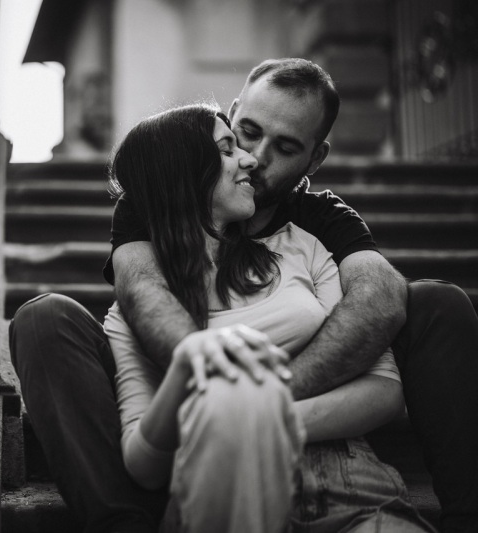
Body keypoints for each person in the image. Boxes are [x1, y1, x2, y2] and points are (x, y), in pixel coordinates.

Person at [10, 57, 478, 533]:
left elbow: (380, 299)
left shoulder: (315, 227)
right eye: (245, 133)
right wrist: (203, 374)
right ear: (232, 114)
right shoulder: (151, 204)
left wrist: (258, 406)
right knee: (45, 318)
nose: (256, 157)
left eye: (286, 147)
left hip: (329, 459)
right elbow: (143, 292)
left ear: (315, 159)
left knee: (438, 304)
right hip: (186, 420)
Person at [101, 102, 433, 532]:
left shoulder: (303, 248)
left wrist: (260, 416)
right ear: (182, 175)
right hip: (224, 495)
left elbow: (385, 390)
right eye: (227, 148)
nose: (249, 158)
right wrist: (185, 367)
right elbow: (143, 465)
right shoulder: (139, 311)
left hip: (352, 488)